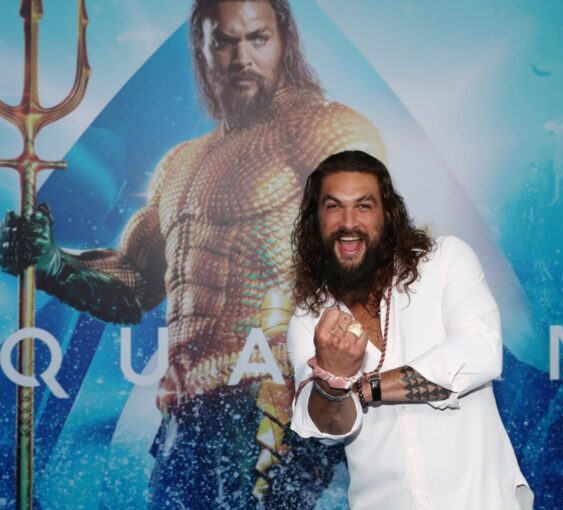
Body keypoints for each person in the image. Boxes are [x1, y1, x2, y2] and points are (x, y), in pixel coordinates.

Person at [0, 0, 384, 508]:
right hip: (187, 414)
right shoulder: (181, 165)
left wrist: (327, 397)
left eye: (258, 38)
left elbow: (372, 261)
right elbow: (136, 283)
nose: (242, 57)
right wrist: (52, 263)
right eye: (224, 42)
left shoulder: (322, 131)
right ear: (202, 55)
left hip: (276, 405)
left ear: (285, 44)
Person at [287, 150, 533, 509]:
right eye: (334, 206)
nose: (349, 222)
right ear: (315, 220)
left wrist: (363, 388)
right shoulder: (309, 319)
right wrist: (332, 382)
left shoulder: (445, 261)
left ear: (388, 214)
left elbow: (481, 353)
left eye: (364, 206)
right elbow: (326, 427)